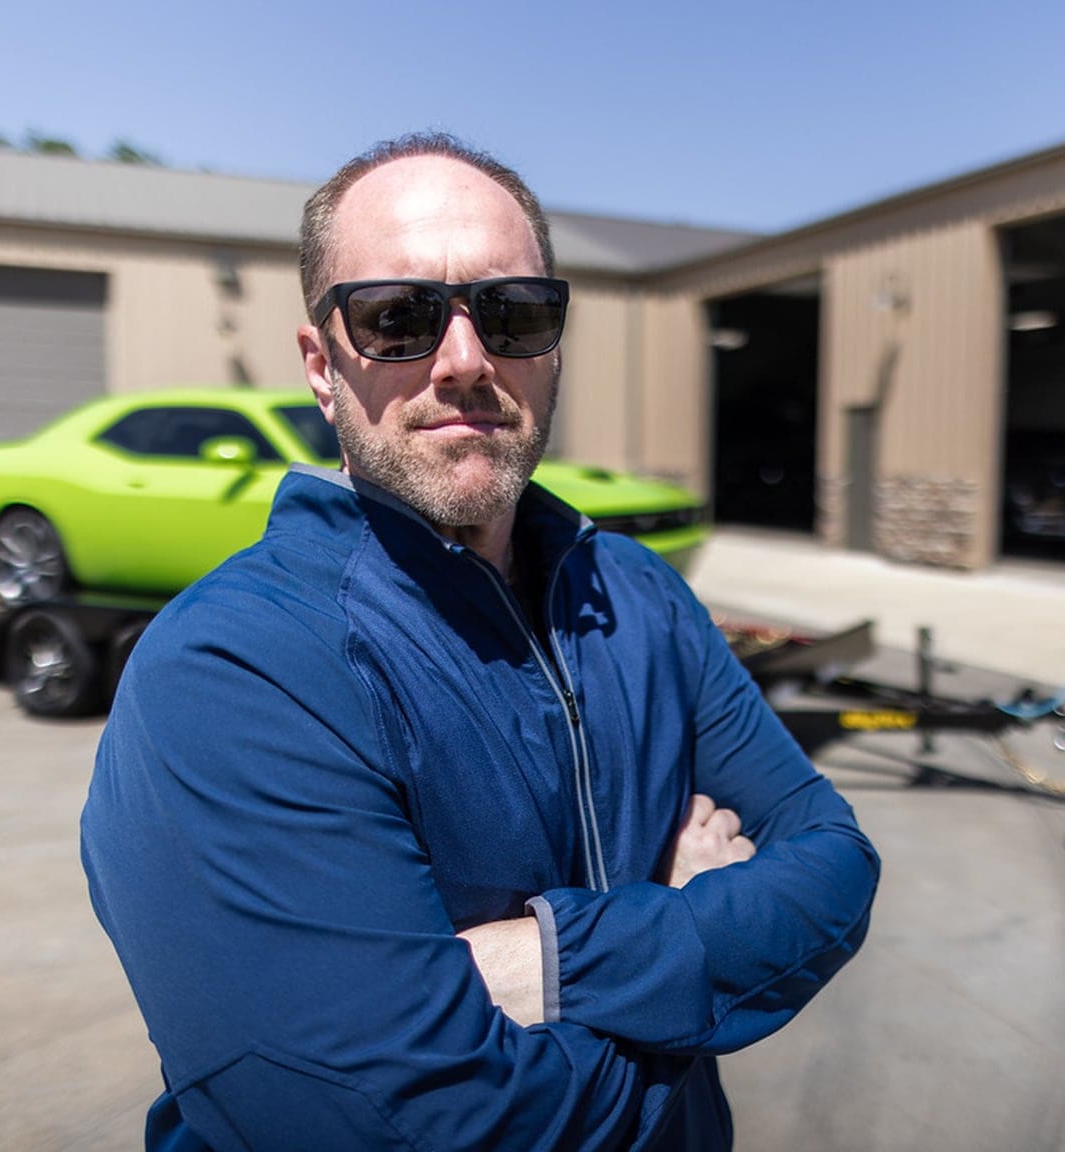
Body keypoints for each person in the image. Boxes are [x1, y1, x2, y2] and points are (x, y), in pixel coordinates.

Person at [82, 132, 879, 1151]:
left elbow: (835, 865)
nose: (465, 360)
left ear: (551, 346)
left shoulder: (637, 594)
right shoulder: (233, 670)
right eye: (396, 318)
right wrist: (693, 942)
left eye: (513, 312)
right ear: (322, 367)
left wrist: (547, 960)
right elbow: (396, 1125)